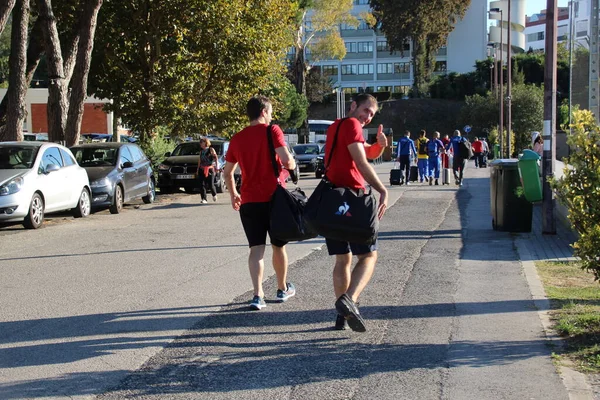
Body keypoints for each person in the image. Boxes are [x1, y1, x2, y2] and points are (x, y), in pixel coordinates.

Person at [222, 96, 297, 310]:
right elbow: (286, 160)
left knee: (256, 249)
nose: (272, 115)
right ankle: (282, 289)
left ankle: (258, 295)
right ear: (264, 111)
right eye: (270, 111)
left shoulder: (237, 138)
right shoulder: (272, 131)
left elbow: (228, 172)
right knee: (278, 245)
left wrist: (234, 194)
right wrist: (291, 164)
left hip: (249, 200)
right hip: (275, 199)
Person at [324, 93, 388, 332]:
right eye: (365, 110)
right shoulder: (352, 124)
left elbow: (366, 154)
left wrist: (379, 146)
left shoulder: (337, 126)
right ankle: (348, 300)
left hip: (333, 200)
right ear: (353, 106)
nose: (368, 117)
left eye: (372, 114)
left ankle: (342, 316)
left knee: (343, 259)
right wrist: (382, 189)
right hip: (353, 199)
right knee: (369, 256)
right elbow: (361, 163)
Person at [197, 137, 219, 204]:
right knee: (201, 184)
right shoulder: (201, 152)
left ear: (206, 143)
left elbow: (216, 158)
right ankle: (204, 199)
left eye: (202, 142)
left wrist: (217, 167)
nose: (201, 144)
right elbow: (199, 161)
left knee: (211, 184)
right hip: (202, 168)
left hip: (210, 169)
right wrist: (197, 169)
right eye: (200, 142)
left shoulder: (211, 149)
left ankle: (214, 194)